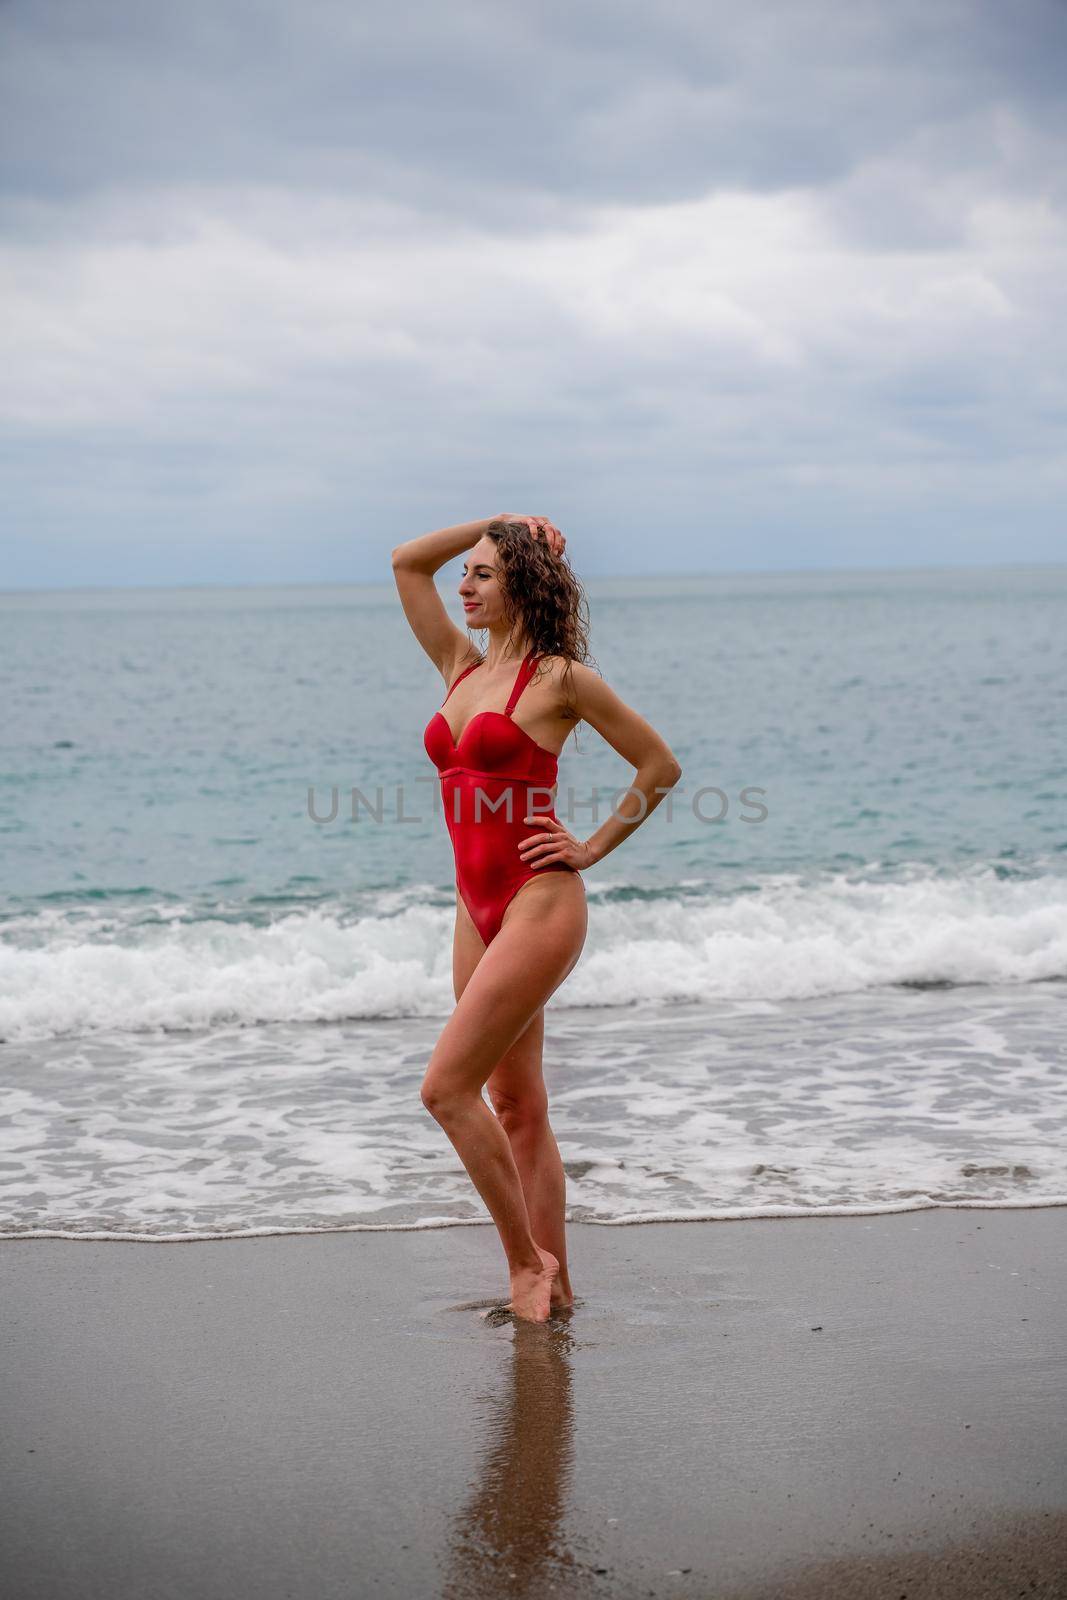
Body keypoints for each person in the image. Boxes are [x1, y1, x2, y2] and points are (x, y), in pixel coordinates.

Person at [391, 514, 682, 1320]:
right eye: (469, 574)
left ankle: (526, 1264)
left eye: (484, 573)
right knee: (517, 1106)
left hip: (537, 902)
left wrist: (591, 846)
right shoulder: (458, 666)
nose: (464, 585)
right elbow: (407, 564)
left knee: (445, 1090)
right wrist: (496, 521)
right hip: (472, 911)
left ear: (522, 583)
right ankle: (559, 1286)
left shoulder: (560, 680)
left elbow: (659, 764)